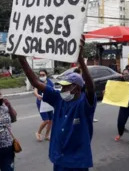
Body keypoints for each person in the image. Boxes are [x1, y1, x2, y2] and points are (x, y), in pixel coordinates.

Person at [18, 36, 97, 171]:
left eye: (66, 86)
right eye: (62, 86)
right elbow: (36, 83)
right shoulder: (58, 99)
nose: (63, 89)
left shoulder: (84, 104)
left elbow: (91, 87)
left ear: (77, 88)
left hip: (77, 161)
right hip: (59, 158)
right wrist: (22, 59)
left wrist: (80, 58)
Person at [34, 69, 54, 141]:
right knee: (46, 120)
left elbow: (53, 89)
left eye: (43, 75)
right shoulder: (38, 82)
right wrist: (37, 95)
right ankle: (38, 133)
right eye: (40, 75)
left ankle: (47, 135)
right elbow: (35, 91)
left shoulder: (49, 81)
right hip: (41, 103)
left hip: (49, 103)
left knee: (51, 120)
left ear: (46, 74)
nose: (42, 76)